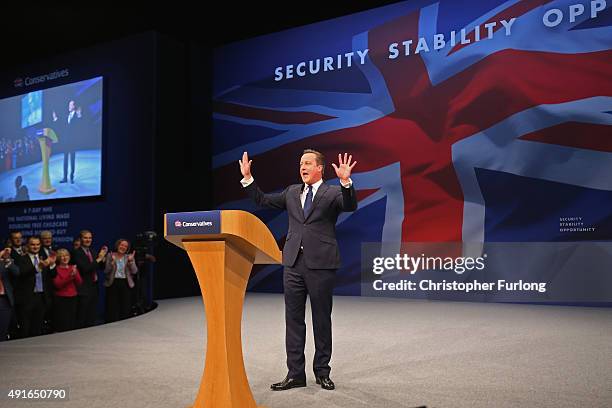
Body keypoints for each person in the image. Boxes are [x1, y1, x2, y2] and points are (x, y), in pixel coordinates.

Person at [239, 149, 357, 391]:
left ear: (319, 168)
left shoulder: (332, 192)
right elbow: (262, 199)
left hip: (321, 264)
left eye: (307, 163)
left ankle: (322, 372)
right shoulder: (292, 192)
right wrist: (248, 178)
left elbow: (350, 205)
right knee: (293, 320)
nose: (302, 167)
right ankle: (295, 374)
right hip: (292, 263)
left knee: (321, 320)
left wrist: (346, 182)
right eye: (301, 163)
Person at [14, 236, 55, 337]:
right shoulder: (21, 259)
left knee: (37, 327)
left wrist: (52, 265)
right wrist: (38, 268)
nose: (35, 246)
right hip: (27, 298)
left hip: (41, 297)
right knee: (25, 328)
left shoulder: (44, 258)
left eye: (37, 244)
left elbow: (53, 276)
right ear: (27, 245)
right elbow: (22, 273)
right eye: (32, 244)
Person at [71, 230, 107, 328]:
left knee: (91, 316)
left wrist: (103, 260)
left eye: (90, 238)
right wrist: (99, 259)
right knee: (82, 317)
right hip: (83, 289)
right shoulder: (76, 252)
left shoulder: (92, 251)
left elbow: (100, 268)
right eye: (85, 238)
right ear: (80, 239)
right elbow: (85, 269)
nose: (88, 240)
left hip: (94, 287)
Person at [104, 239, 138, 322]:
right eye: (121, 245)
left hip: (125, 283)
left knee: (125, 306)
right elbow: (106, 271)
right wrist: (111, 264)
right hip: (113, 283)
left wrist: (131, 262)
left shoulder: (129, 257)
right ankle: (112, 326)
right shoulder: (110, 255)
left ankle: (124, 326)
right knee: (112, 307)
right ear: (117, 245)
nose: (123, 247)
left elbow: (135, 271)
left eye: (125, 246)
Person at [52, 248, 82, 332]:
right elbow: (58, 284)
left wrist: (75, 274)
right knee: (62, 322)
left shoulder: (73, 267)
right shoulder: (56, 269)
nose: (65, 258)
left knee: (71, 321)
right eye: (62, 256)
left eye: (66, 255)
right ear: (58, 258)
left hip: (73, 297)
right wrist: (70, 276)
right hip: (61, 299)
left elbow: (79, 282)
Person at [53, 100, 82, 184]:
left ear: (74, 106)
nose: (69, 106)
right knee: (65, 160)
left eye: (70, 105)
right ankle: (65, 178)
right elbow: (62, 126)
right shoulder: (67, 115)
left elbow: (80, 126)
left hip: (73, 142)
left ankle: (71, 177)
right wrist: (55, 119)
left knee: (72, 160)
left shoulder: (77, 116)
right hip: (66, 142)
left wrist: (79, 115)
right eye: (69, 105)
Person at [0, 247, 19, 341]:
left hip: (4, 299)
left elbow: (16, 273)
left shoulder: (5, 261)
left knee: (3, 330)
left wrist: (7, 260)